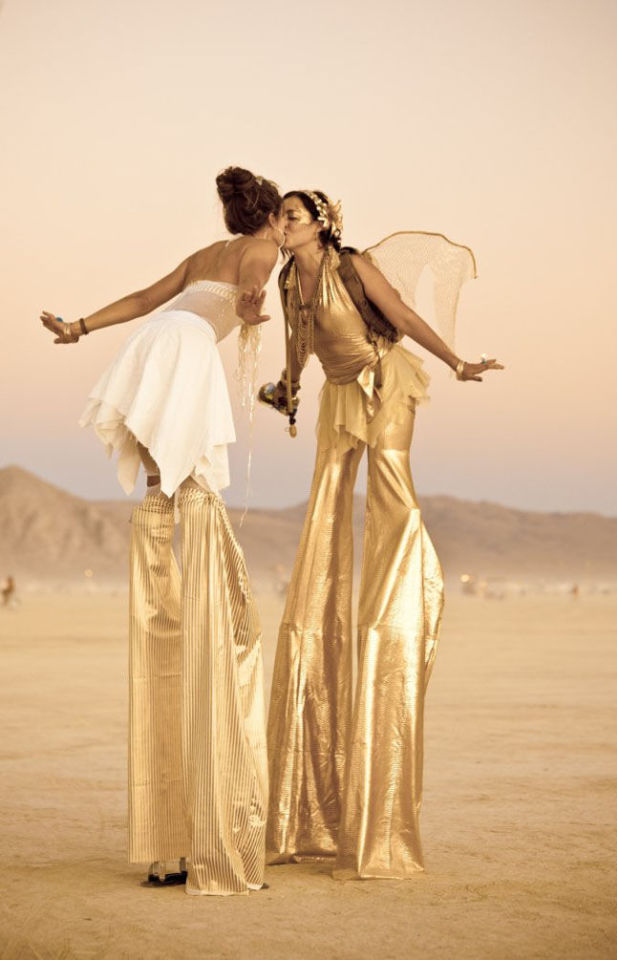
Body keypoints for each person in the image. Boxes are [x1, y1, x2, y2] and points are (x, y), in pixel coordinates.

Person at [40, 166, 284, 896]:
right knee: (192, 472)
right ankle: (178, 509)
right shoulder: (261, 249)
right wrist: (251, 307)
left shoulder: (206, 251)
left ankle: (161, 504)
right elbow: (251, 295)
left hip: (155, 338)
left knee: (161, 476)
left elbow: (149, 299)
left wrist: (79, 326)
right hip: (182, 351)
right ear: (271, 216)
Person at [260, 189, 503, 880]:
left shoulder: (351, 264)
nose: (282, 226)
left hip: (383, 379)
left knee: (391, 485)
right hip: (338, 394)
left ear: (321, 225)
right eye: (278, 217)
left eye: (292, 218)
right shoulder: (287, 278)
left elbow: (399, 316)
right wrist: (285, 390)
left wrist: (456, 362)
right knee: (328, 508)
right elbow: (298, 346)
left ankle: (405, 585)